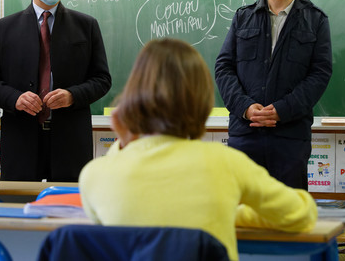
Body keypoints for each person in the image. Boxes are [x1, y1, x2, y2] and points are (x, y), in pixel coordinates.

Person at [79, 38, 318, 261]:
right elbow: (302, 214)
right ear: (202, 101)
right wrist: (230, 211)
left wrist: (123, 142)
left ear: (131, 96)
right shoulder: (226, 163)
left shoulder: (94, 175)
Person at [0, 0, 111, 182]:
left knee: (68, 208)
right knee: (19, 210)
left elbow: (102, 79)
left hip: (70, 141)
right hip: (21, 140)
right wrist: (15, 98)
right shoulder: (5, 28)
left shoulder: (86, 25)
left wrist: (72, 95)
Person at [214, 0, 332, 190]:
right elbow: (224, 67)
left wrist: (282, 109)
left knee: (289, 221)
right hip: (245, 135)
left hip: (290, 138)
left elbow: (319, 74)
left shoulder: (316, 20)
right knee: (242, 219)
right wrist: (245, 107)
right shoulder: (243, 17)